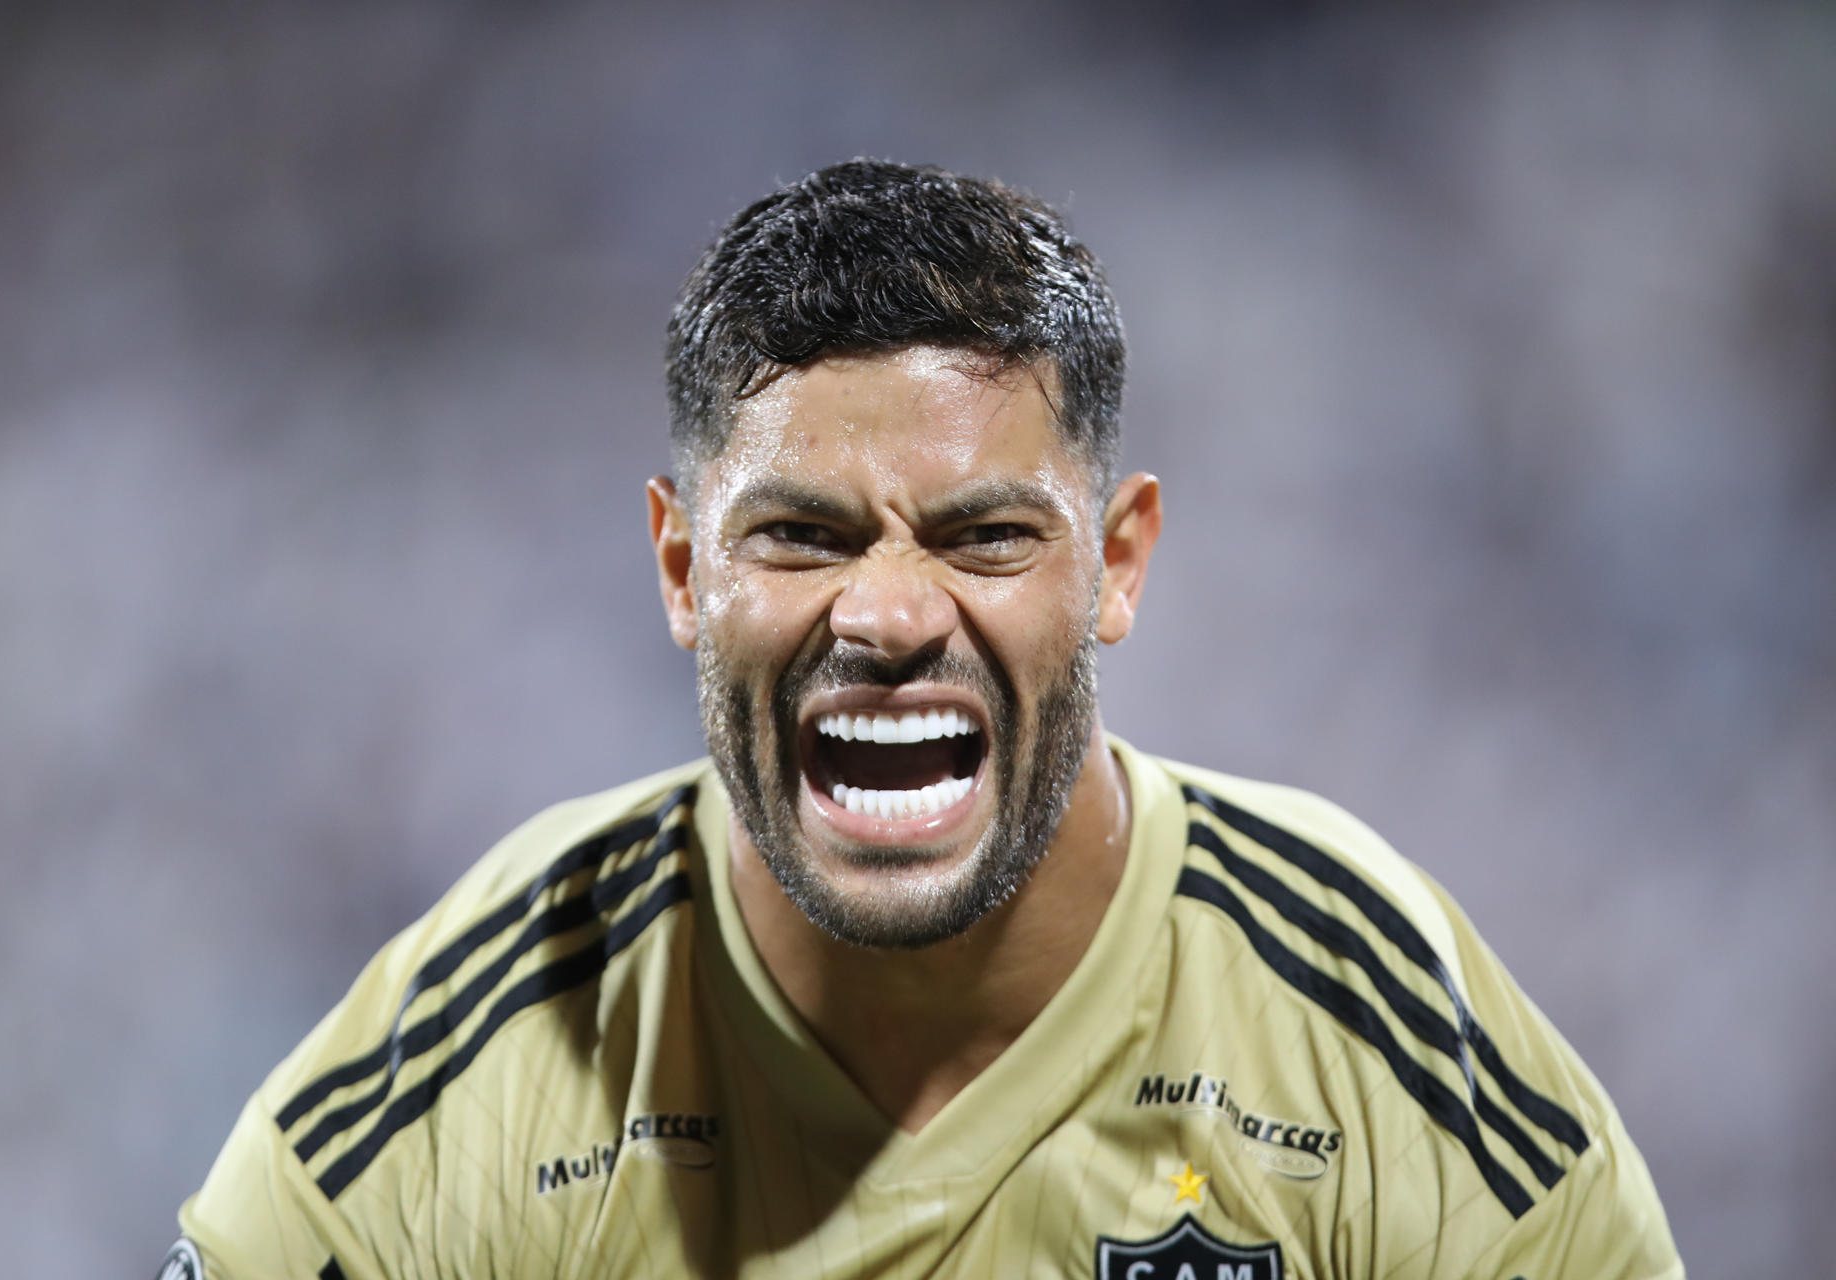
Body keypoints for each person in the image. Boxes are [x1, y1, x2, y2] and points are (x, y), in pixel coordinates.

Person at [164, 160, 1682, 1279]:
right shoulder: (478, 1055)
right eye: (804, 537)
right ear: (684, 568)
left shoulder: (1372, 1027)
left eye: (985, 536)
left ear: (1119, 561)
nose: (890, 618)